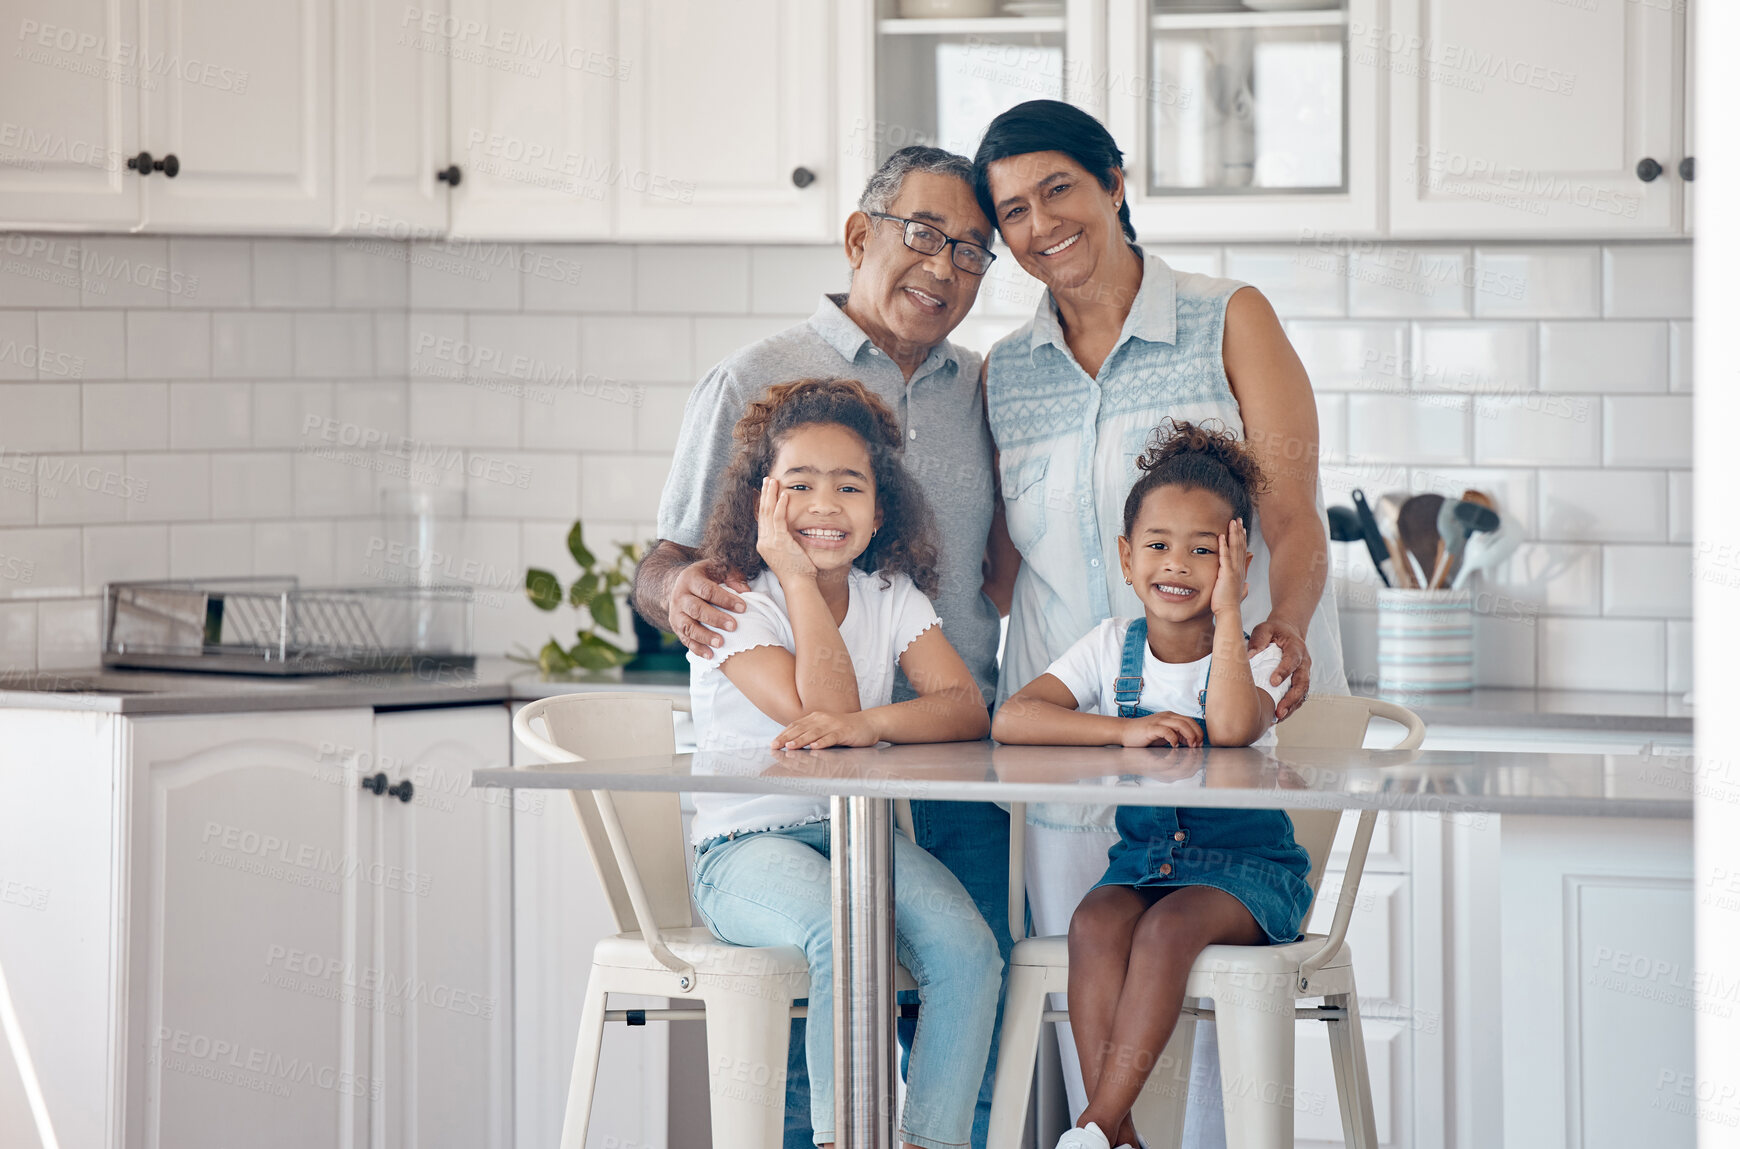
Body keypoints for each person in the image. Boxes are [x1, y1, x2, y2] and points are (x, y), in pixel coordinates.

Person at [971, 100, 1346, 1139]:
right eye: (1011, 209)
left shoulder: (1228, 316)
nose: (1040, 223)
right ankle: (1112, 1132)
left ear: (1115, 184)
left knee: (1216, 1004)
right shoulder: (1005, 370)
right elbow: (1000, 565)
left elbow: (1290, 515)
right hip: (1071, 734)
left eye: (1059, 188)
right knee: (1084, 958)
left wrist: (1293, 626)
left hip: (1229, 714)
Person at [635, 145, 1017, 1146]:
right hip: (784, 809)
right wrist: (686, 594)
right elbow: (665, 564)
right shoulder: (752, 381)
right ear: (860, 236)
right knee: (827, 994)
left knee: (972, 978)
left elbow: (1004, 565)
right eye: (925, 234)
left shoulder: (985, 390)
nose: (946, 266)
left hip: (948, 777)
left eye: (976, 252)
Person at [686, 378, 1001, 1149]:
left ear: (880, 507)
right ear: (764, 503)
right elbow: (812, 711)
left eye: (849, 485)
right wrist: (796, 576)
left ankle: (929, 1141)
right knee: (841, 930)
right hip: (740, 851)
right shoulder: (737, 602)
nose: (825, 505)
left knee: (971, 950)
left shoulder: (888, 592)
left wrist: (869, 723)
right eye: (800, 485)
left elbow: (962, 703)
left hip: (853, 839)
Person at [993, 422, 1312, 1149]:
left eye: (1205, 550)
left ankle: (1093, 1125)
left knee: (1167, 931)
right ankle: (1119, 1136)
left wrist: (1231, 616)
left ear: (1238, 563)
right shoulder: (1110, 647)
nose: (1179, 564)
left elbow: (1231, 727)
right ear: (1127, 559)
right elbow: (1016, 717)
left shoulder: (1257, 656)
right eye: (1160, 545)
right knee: (1093, 922)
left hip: (1250, 875)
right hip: (1143, 865)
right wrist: (1121, 729)